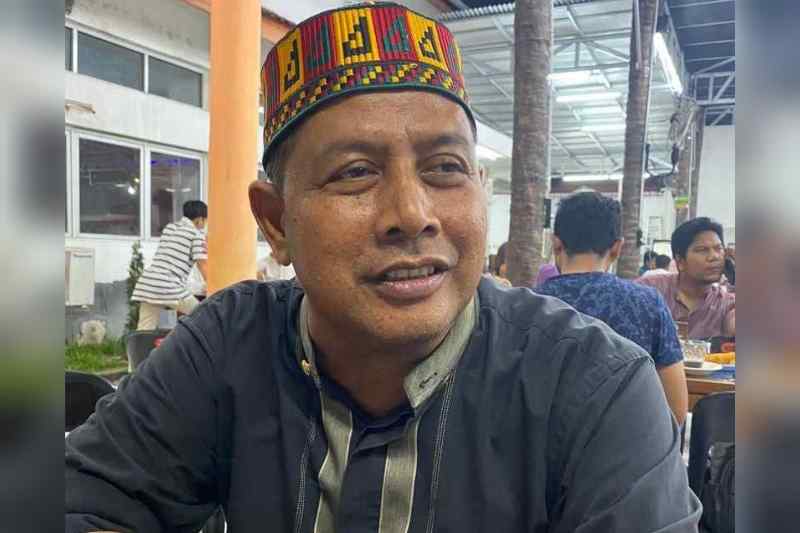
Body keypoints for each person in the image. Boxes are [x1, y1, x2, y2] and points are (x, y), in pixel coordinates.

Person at [65, 5, 699, 532]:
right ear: (277, 223)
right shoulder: (230, 344)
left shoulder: (593, 386)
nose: (412, 215)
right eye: (355, 172)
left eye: (445, 168)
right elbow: (81, 501)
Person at [535, 192, 688, 425]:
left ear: (556, 244)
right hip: (629, 443)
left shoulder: (529, 304)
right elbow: (676, 410)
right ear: (617, 248)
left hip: (538, 446)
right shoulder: (647, 304)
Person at [637, 217, 735, 338]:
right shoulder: (650, 289)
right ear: (680, 261)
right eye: (702, 250)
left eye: (718, 249)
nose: (714, 257)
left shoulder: (725, 303)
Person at [130, 200, 208, 330]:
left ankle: (138, 344)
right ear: (200, 220)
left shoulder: (169, 228)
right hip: (170, 286)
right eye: (205, 220)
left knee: (144, 328)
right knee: (203, 316)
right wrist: (214, 286)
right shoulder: (196, 234)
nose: (205, 224)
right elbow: (202, 264)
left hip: (149, 283)